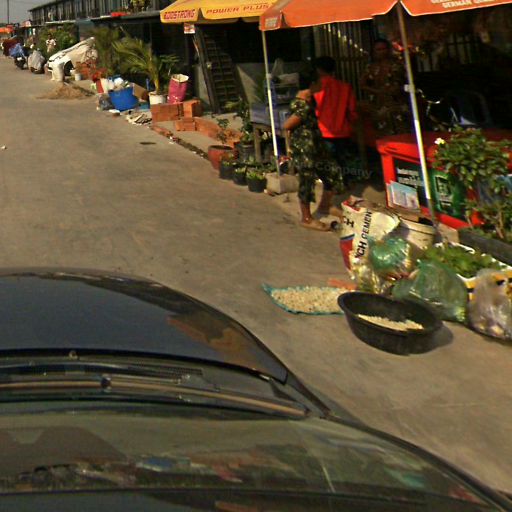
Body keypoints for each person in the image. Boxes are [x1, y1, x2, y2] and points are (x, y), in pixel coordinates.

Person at [283, 89, 340, 231]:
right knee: (307, 181)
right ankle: (306, 218)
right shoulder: (302, 106)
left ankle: (325, 205)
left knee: (332, 172)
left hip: (316, 146)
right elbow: (287, 125)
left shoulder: (310, 103)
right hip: (304, 150)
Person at [312, 56, 358, 195]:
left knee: (327, 162)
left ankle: (331, 187)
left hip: (324, 131)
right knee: (342, 159)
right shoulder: (345, 87)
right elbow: (353, 111)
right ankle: (345, 183)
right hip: (343, 130)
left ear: (318, 70)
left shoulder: (316, 88)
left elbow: (313, 111)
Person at [360, 38, 410, 136]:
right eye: (378, 49)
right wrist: (377, 91)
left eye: (384, 49)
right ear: (374, 51)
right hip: (380, 104)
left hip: (398, 102)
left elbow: (408, 81)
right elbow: (362, 85)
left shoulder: (398, 64)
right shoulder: (370, 67)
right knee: (383, 133)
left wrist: (399, 89)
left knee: (402, 131)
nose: (382, 52)